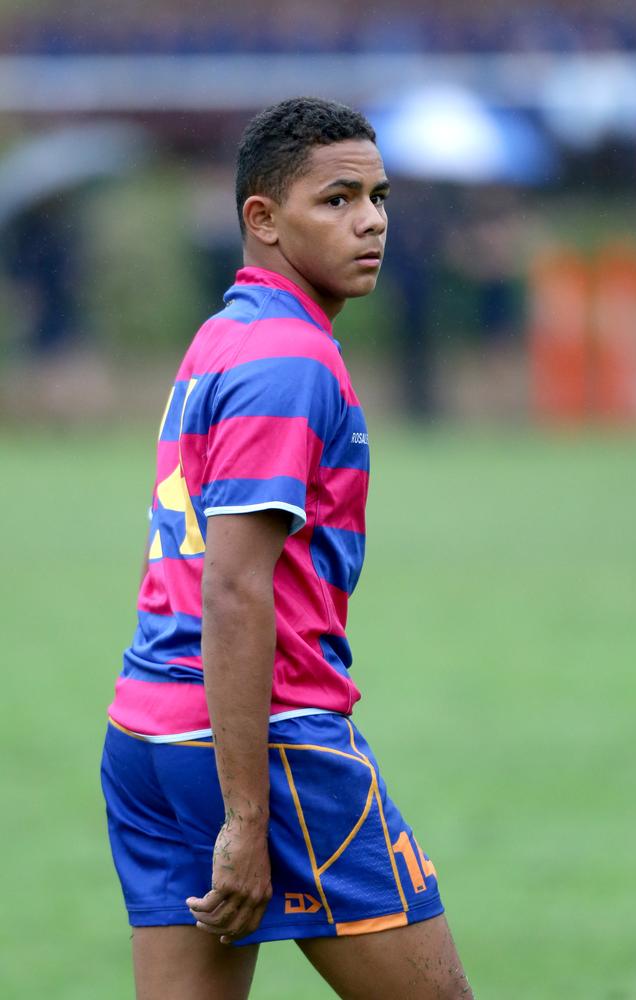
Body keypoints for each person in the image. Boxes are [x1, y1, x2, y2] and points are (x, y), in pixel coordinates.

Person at [101, 96, 473, 1000]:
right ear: (261, 220)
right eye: (338, 199)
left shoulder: (221, 336)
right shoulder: (289, 358)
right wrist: (244, 814)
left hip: (148, 730)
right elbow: (234, 587)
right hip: (269, 741)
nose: (373, 220)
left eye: (380, 196)